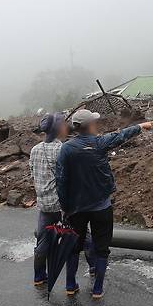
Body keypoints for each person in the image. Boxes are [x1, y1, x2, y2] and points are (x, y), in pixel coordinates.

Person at [56, 109, 153, 299]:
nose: (96, 124)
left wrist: (65, 207)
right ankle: (97, 289)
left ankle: (70, 285)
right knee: (101, 248)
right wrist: (140, 127)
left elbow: (61, 180)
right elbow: (121, 135)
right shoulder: (100, 143)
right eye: (94, 121)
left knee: (73, 247)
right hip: (101, 207)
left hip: (76, 209)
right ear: (89, 125)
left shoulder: (66, 149)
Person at [29, 112, 95, 287]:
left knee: (42, 240)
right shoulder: (62, 149)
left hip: (44, 205)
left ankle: (39, 276)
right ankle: (94, 268)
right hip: (62, 205)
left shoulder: (35, 150)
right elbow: (70, 178)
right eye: (63, 124)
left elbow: (33, 175)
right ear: (58, 129)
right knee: (83, 237)